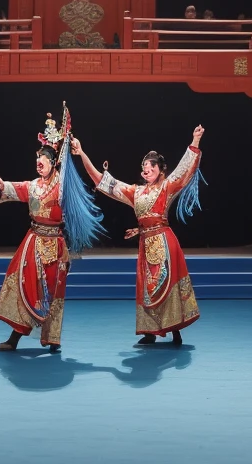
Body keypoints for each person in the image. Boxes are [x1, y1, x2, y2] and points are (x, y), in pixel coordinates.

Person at [72, 125, 205, 346]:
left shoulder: (167, 187)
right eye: (144, 167)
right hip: (146, 243)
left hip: (164, 241)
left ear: (160, 170)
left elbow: (185, 168)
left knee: (167, 283)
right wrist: (83, 154)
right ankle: (150, 331)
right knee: (147, 285)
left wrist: (196, 139)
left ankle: (175, 330)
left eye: (150, 167)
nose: (145, 171)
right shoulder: (136, 192)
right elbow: (104, 183)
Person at [0, 108, 104, 352]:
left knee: (53, 293)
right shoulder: (34, 185)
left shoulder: (63, 187)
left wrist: (70, 148)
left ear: (54, 164)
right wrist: (3, 184)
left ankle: (52, 339)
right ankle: (15, 337)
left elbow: (71, 184)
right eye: (37, 163)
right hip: (33, 243)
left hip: (55, 246)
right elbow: (18, 188)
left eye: (43, 163)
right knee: (24, 286)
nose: (39, 166)